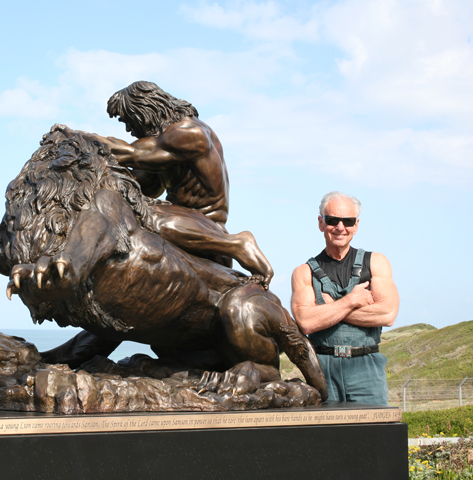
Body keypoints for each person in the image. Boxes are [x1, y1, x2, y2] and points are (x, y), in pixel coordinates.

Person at [55, 81, 274, 286]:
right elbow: (141, 187)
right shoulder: (166, 146)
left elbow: (130, 154)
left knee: (152, 219)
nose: (129, 129)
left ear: (142, 112)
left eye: (127, 120)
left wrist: (76, 137)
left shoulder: (187, 133)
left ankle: (238, 244)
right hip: (182, 217)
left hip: (204, 224)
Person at [290, 191, 399, 405]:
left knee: (373, 425)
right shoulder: (303, 272)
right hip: (321, 370)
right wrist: (351, 301)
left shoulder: (376, 263)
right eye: (332, 220)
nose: (340, 227)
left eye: (348, 221)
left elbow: (387, 315)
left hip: (366, 368)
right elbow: (306, 322)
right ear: (321, 223)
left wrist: (331, 308)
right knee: (324, 428)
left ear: (356, 225)